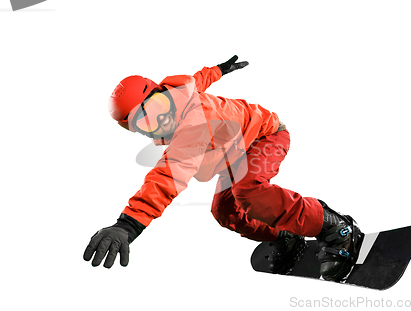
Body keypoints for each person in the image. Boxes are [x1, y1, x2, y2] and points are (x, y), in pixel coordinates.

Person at [83, 56, 362, 281]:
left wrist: (128, 225)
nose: (163, 118)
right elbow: (198, 80)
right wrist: (218, 69)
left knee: (249, 193)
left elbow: (167, 178)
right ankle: (285, 237)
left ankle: (335, 228)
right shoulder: (181, 92)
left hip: (265, 135)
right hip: (234, 154)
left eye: (157, 105)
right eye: (148, 121)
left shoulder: (194, 124)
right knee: (224, 211)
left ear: (161, 91)